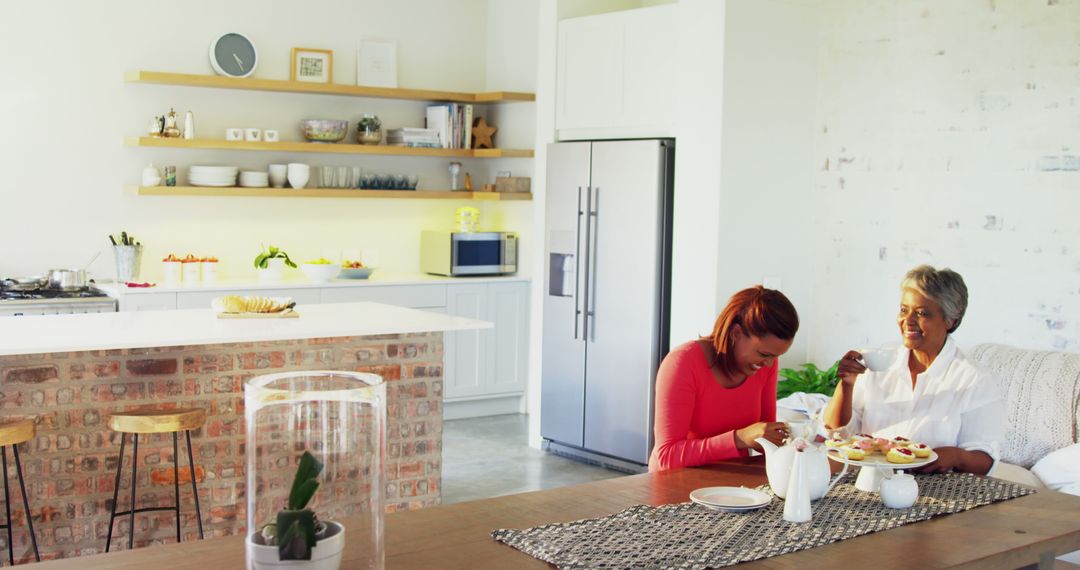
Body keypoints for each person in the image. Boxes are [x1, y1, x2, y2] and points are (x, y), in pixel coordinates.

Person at [821, 265, 1005, 475]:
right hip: (868, 483)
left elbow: (985, 461)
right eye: (903, 310)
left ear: (950, 320)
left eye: (921, 313)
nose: (908, 321)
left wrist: (955, 456)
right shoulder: (878, 362)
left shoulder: (973, 379)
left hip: (936, 489)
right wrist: (846, 384)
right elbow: (838, 433)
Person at [649, 286, 799, 472]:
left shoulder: (765, 365)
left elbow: (765, 442)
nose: (769, 364)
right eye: (763, 354)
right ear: (736, 333)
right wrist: (739, 439)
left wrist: (797, 441)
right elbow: (667, 456)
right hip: (675, 486)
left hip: (732, 483)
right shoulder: (683, 363)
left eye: (775, 357)